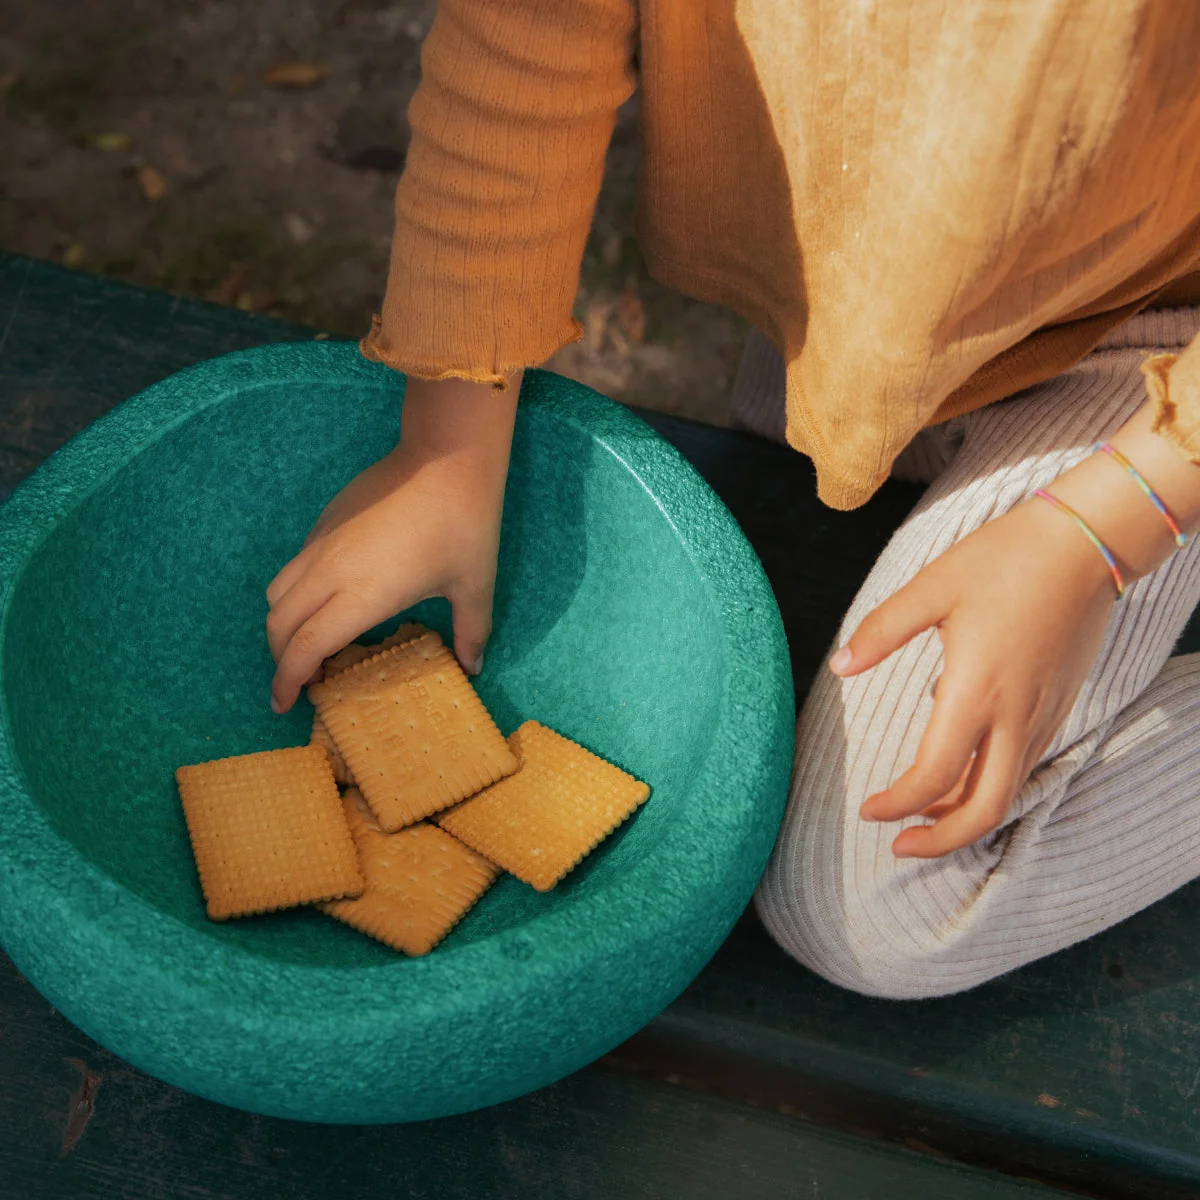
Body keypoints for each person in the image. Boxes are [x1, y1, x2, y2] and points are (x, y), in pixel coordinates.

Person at [264, 0, 1200, 999]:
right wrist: (445, 446)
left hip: (1147, 375)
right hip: (857, 309)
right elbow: (527, 36)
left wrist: (1110, 519)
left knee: (874, 905)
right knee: (777, 537)